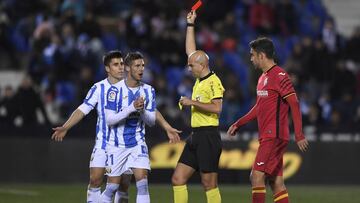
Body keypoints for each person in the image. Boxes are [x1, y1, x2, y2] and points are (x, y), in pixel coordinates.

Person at [51, 50, 180, 203]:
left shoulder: (140, 88)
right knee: (96, 180)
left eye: (121, 64)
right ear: (107, 68)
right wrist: (66, 127)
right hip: (105, 142)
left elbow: (151, 111)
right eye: (116, 65)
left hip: (130, 141)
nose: (119, 67)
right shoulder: (100, 88)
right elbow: (83, 109)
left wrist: (166, 126)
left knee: (125, 184)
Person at [227, 37, 309, 203]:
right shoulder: (263, 78)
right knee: (276, 182)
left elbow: (294, 103)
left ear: (262, 55)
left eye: (252, 55)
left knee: (256, 176)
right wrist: (239, 123)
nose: (251, 58)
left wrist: (299, 134)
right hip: (268, 135)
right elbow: (259, 107)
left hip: (274, 136)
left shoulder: (280, 75)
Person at [101, 51, 174, 203]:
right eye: (137, 66)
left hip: (138, 143)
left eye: (143, 66)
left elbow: (151, 121)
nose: (141, 69)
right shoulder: (114, 90)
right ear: (127, 68)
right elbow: (109, 119)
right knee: (112, 188)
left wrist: (141, 111)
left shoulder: (148, 90)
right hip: (116, 144)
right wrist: (131, 108)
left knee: (142, 182)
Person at [172, 11, 225, 203]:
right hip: (195, 135)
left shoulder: (213, 82)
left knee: (209, 184)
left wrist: (192, 102)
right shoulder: (200, 76)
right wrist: (190, 25)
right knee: (178, 179)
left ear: (201, 66)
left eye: (191, 66)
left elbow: (217, 108)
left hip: (208, 136)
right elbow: (191, 51)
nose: (189, 68)